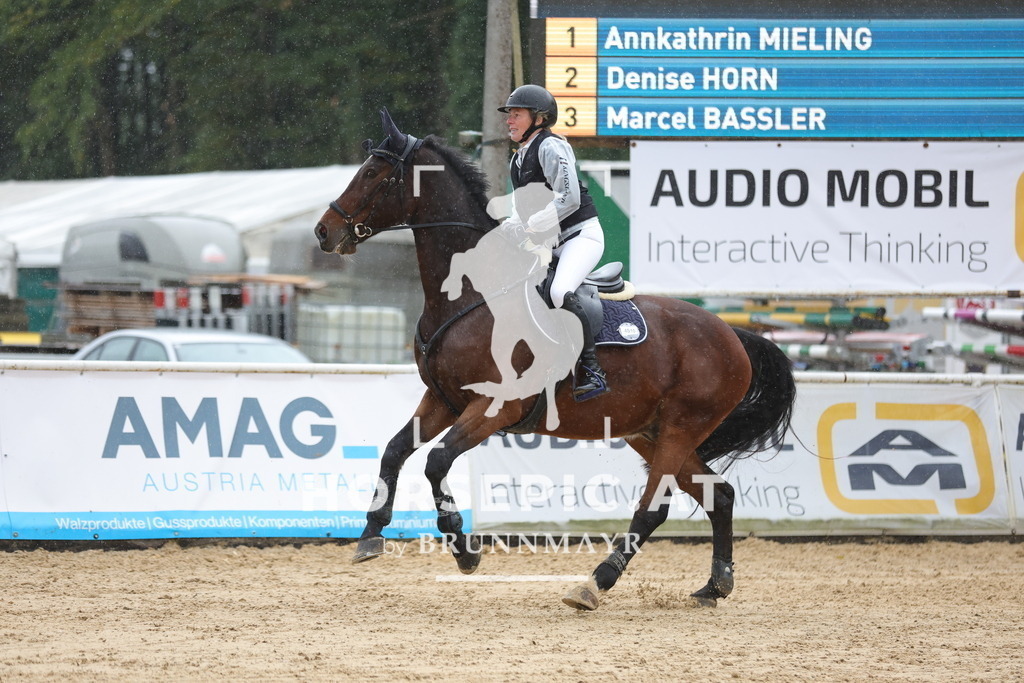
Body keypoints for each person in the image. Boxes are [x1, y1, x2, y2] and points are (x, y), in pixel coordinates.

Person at [497, 84, 609, 401]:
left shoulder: (551, 147)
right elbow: (524, 212)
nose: (510, 120)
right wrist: (504, 229)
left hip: (581, 237)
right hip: (552, 246)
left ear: (539, 118)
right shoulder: (518, 160)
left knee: (559, 291)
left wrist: (529, 227)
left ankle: (591, 370)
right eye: (510, 115)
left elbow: (569, 198)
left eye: (516, 114)